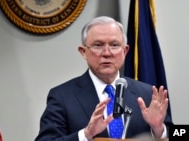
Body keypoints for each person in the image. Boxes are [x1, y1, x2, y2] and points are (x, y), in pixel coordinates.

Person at [35, 16, 173, 141]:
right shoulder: (62, 96)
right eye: (98, 45)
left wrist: (159, 129)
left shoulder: (148, 93)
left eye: (114, 45)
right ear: (84, 52)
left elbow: (180, 134)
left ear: (125, 51)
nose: (107, 53)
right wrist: (86, 134)